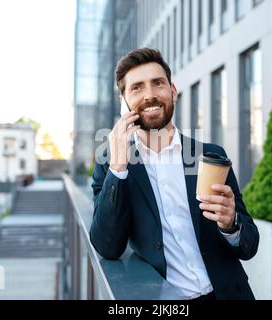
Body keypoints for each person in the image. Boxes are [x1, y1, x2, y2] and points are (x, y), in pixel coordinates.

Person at [90, 48, 259, 300]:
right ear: (123, 101)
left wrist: (230, 224)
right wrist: (118, 167)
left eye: (157, 83)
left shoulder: (211, 156)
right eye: (136, 88)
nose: (149, 95)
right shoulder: (111, 164)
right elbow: (107, 246)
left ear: (173, 91)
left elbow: (249, 244)